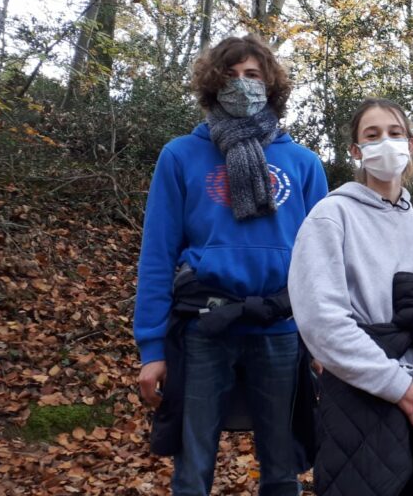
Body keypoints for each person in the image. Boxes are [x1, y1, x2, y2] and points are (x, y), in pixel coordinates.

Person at [134, 34, 328, 495]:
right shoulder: (181, 155)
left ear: (271, 84)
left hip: (280, 329)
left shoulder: (303, 163)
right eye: (231, 75)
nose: (242, 85)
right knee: (192, 469)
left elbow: (323, 262)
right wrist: (152, 348)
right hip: (204, 328)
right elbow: (158, 254)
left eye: (253, 75)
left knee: (283, 468)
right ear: (212, 84)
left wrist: (323, 340)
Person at [287, 98, 413, 496]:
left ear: (412, 144)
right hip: (360, 397)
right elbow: (323, 322)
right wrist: (396, 387)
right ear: (356, 150)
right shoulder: (330, 217)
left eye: (395, 133)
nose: (386, 142)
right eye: (373, 135)